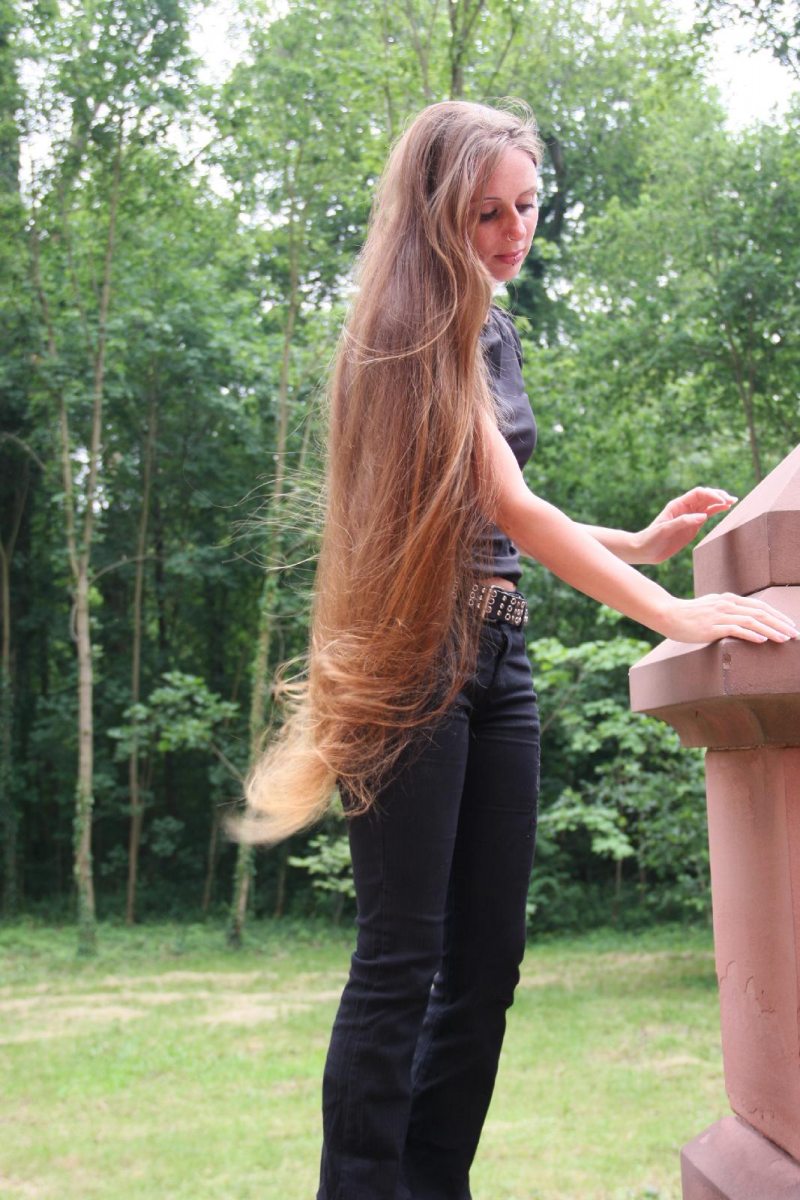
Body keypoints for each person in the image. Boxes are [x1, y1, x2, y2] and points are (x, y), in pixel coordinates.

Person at [239, 101, 797, 1200]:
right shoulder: (411, 323)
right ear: (435, 213)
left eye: (526, 206)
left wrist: (634, 542)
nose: (511, 231)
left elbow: (496, 505)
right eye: (485, 212)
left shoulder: (488, 325)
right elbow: (511, 505)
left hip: (499, 659)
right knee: (401, 959)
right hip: (415, 658)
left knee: (487, 964)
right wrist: (673, 613)